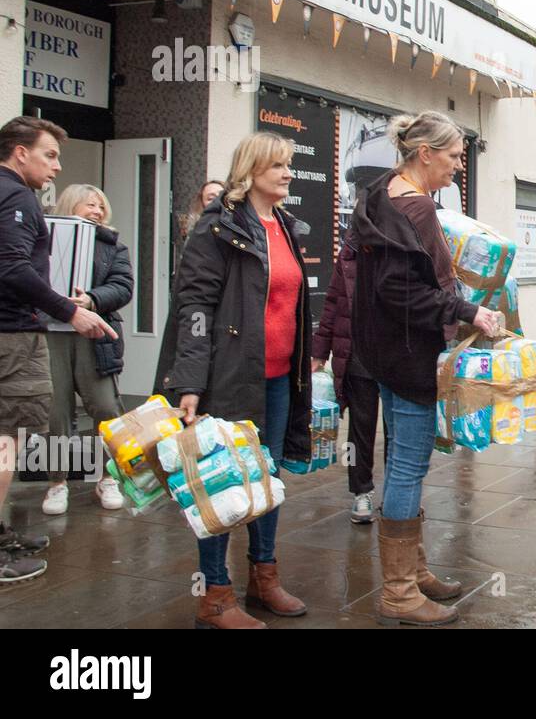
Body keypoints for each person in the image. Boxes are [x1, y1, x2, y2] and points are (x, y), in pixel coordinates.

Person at [155, 132, 312, 629]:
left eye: (289, 165)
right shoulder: (217, 228)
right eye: (278, 166)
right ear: (251, 169)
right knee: (221, 485)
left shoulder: (284, 225)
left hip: (280, 377)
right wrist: (190, 383)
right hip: (229, 377)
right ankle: (215, 597)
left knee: (267, 480)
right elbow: (194, 308)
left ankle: (264, 579)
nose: (288, 173)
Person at [350, 110, 501, 627]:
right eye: (455, 156)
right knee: (409, 467)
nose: (460, 166)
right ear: (425, 154)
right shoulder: (415, 210)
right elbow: (401, 289)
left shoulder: (379, 195)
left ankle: (413, 572)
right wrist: (467, 310)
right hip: (411, 356)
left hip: (383, 354)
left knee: (401, 467)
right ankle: (398, 591)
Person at [0, 117, 116, 585]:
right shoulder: (16, 196)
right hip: (12, 337)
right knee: (5, 443)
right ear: (20, 152)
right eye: (49, 154)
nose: (56, 166)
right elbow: (12, 268)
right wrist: (70, 311)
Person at [43, 184, 134, 515]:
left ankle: (107, 478)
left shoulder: (113, 246)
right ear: (70, 206)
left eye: (100, 206)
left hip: (94, 336)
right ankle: (56, 483)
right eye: (89, 205)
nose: (97, 211)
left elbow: (123, 287)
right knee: (56, 413)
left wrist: (92, 300)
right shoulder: (44, 238)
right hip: (51, 334)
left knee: (107, 409)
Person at [311, 227, 387, 524]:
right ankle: (361, 492)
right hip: (359, 356)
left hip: (398, 357)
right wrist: (319, 351)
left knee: (397, 430)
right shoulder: (351, 252)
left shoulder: (405, 248)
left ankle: (398, 492)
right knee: (360, 428)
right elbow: (333, 303)